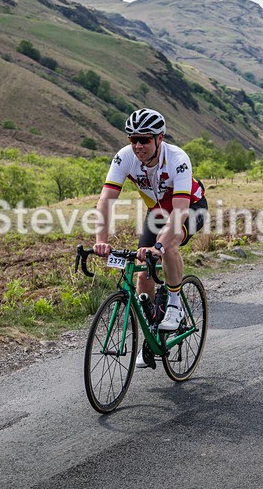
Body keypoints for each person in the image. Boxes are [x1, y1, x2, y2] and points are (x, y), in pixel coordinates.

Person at [93, 108, 208, 363]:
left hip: (190, 208)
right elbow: (105, 201)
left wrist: (159, 246)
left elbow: (180, 212)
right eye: (133, 139)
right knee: (142, 274)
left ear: (159, 138)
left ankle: (175, 306)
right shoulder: (124, 157)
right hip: (157, 212)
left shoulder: (177, 158)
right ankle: (152, 332)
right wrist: (101, 240)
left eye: (144, 139)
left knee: (170, 246)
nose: (137, 146)